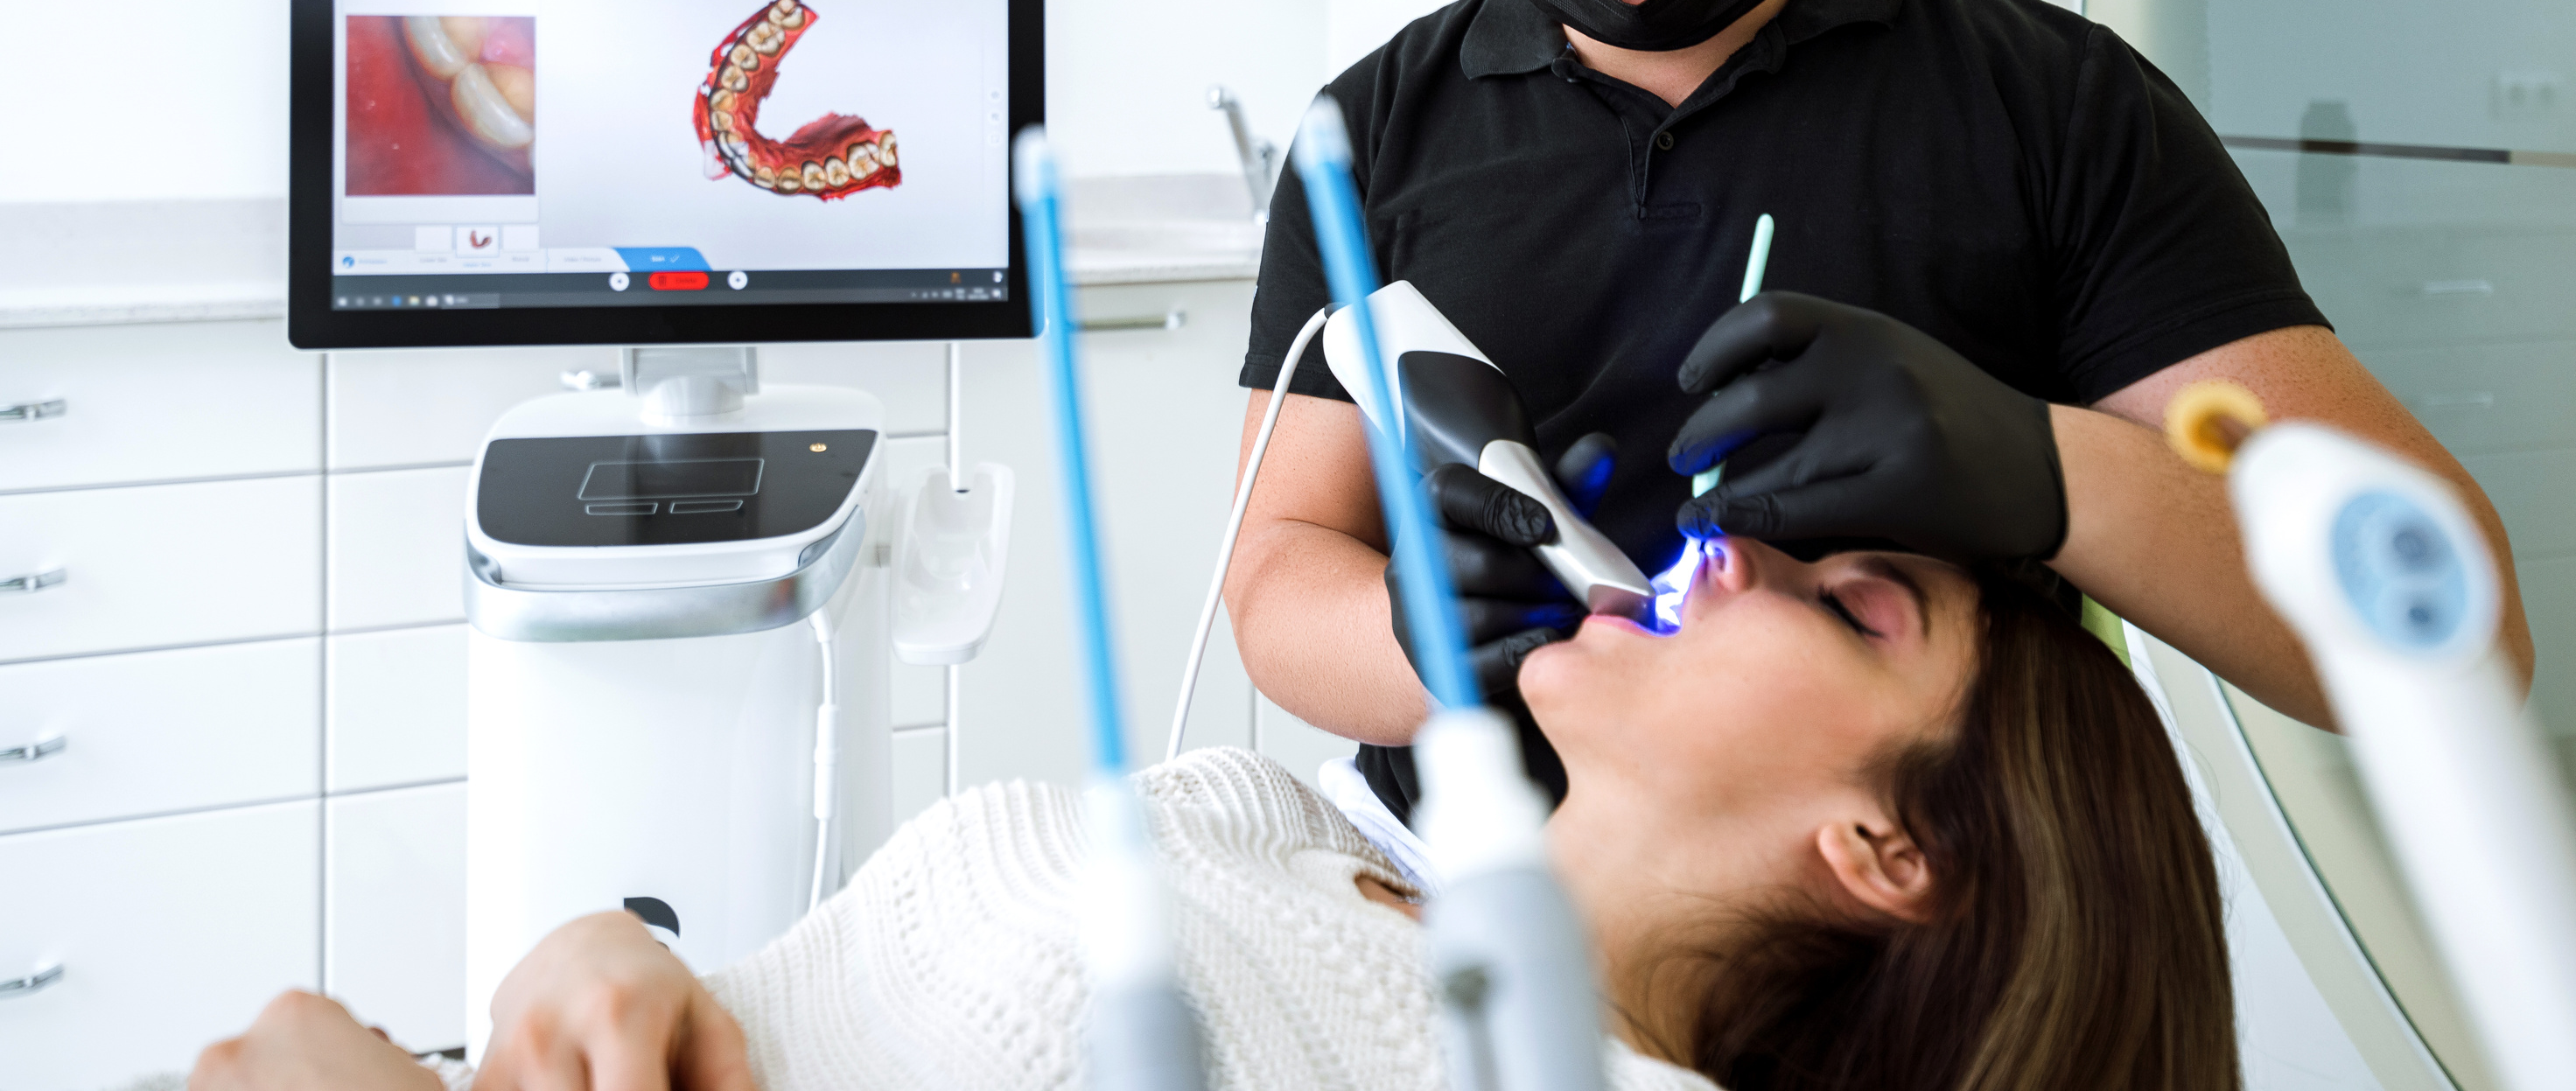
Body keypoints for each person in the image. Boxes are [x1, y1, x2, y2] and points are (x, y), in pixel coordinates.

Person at [1223, 0, 2532, 821]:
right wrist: (1416, 640)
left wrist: (2041, 467)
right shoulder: (1370, 136)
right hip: (1493, 943)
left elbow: (2464, 639)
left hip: (1921, 959)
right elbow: (1278, 567)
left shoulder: (2052, 112)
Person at [190, 538, 2235, 1090]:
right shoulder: (1273, 813)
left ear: (1890, 853)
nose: (1741, 549)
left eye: (1851, 605)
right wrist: (604, 951)